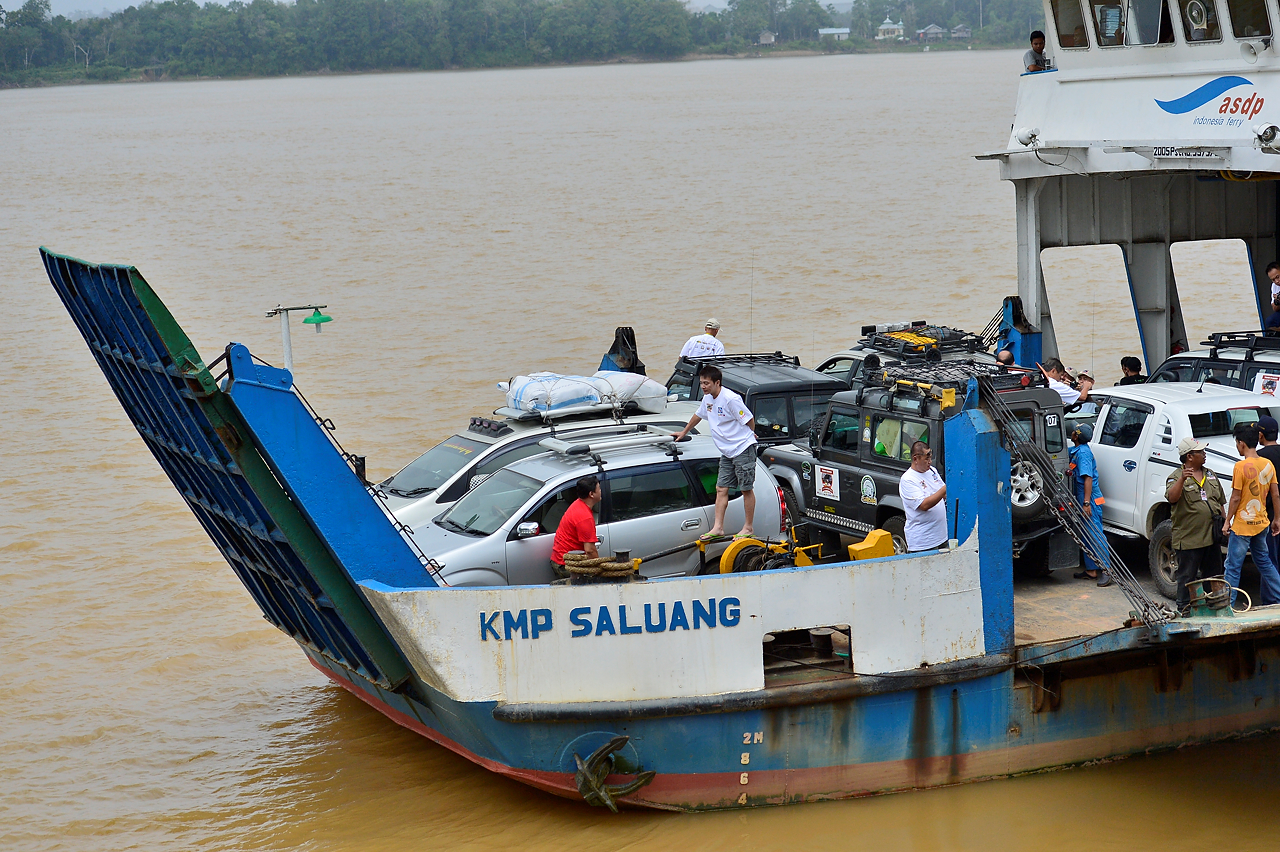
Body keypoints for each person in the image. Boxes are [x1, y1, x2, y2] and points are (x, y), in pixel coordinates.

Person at [673, 365, 758, 538]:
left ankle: (748, 528)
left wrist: (751, 434)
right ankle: (718, 528)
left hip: (742, 448)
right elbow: (698, 415)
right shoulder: (707, 398)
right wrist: (684, 432)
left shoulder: (730, 399)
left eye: (706, 383)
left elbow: (749, 419)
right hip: (727, 451)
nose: (703, 386)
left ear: (717, 383)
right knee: (721, 488)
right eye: (701, 383)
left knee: (746, 489)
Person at [1221, 422, 1280, 606]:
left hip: (1242, 526)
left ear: (1242, 443)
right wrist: (1277, 519)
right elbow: (1275, 494)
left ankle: (1228, 605)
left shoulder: (1240, 467)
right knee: (1265, 562)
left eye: (1237, 443)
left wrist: (1227, 521)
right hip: (1262, 523)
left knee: (1232, 567)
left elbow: (1235, 498)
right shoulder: (1268, 464)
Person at [1164, 437, 1226, 613]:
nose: (1204, 454)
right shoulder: (1176, 477)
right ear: (1190, 456)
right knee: (1187, 576)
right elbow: (1172, 498)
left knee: (1214, 575)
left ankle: (1215, 607)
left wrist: (1225, 523)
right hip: (1189, 538)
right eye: (1200, 452)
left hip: (1211, 536)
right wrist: (1182, 480)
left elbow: (1220, 501)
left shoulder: (1210, 474)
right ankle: (1184, 609)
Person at [1068, 423, 1111, 586]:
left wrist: (1086, 503)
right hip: (1084, 497)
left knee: (1095, 534)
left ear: (1076, 436)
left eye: (1074, 431)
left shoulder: (1084, 454)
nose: (1072, 432)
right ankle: (1092, 570)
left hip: (1090, 498)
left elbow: (1088, 478)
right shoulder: (1077, 450)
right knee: (1086, 534)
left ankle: (1107, 570)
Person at [550, 475, 602, 579]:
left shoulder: (578, 504)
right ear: (591, 494)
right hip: (566, 565)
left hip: (560, 560)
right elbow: (590, 550)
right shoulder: (585, 517)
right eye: (599, 489)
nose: (601, 491)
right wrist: (599, 570)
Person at [900, 441, 948, 552]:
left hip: (941, 537)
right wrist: (945, 488)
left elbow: (944, 494)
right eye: (926, 459)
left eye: (930, 458)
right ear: (915, 459)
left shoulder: (932, 471)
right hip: (923, 543)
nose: (930, 462)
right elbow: (924, 505)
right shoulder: (908, 479)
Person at [1256, 415, 1280, 573]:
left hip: (1270, 515)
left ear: (1260, 435)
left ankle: (1273, 589)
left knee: (1269, 561)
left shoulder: (1260, 457)